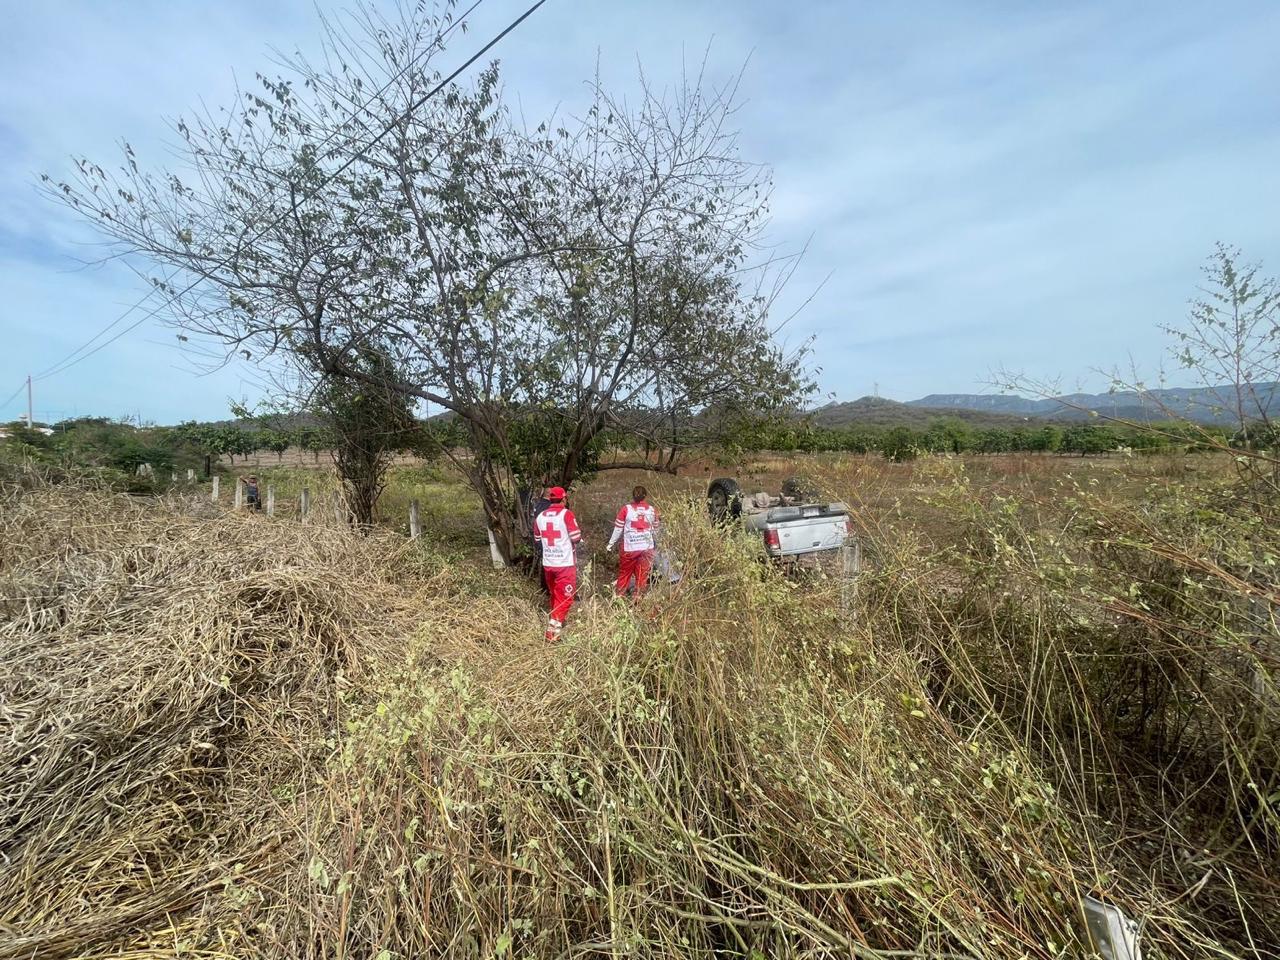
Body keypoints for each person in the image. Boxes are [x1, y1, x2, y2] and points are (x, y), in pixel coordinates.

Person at [534, 486, 583, 641]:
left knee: (556, 594)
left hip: (548, 563)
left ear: (550, 498)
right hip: (565, 563)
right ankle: (552, 631)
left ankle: (555, 620)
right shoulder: (566, 514)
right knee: (567, 596)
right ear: (563, 499)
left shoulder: (540, 516)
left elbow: (537, 541)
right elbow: (576, 537)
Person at [607, 485, 658, 597]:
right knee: (642, 576)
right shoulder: (652, 510)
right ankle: (638, 601)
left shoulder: (626, 509)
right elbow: (655, 529)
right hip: (646, 548)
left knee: (624, 574)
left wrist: (611, 543)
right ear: (645, 496)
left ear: (633, 496)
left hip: (629, 548)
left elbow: (618, 528)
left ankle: (619, 599)